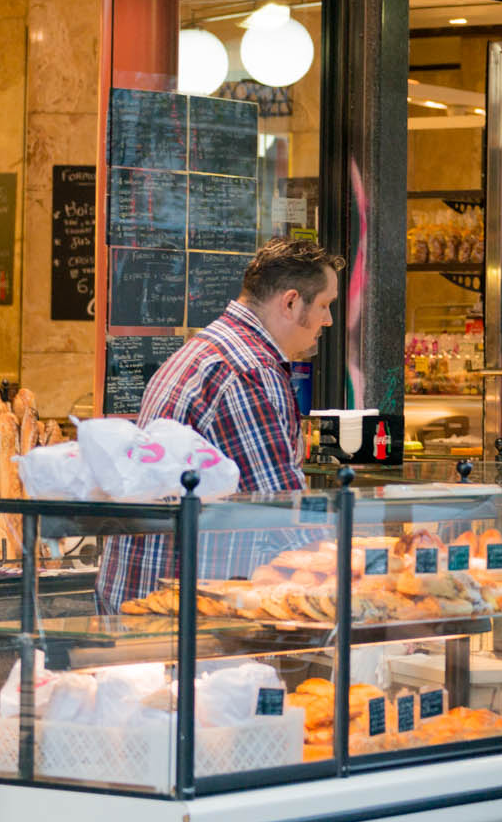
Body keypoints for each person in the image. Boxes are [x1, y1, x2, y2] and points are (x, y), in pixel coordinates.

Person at [95, 238, 343, 615]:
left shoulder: (212, 346)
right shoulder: (249, 371)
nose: (328, 321)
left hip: (144, 598)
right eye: (324, 305)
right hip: (180, 615)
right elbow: (280, 507)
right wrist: (352, 575)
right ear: (291, 303)